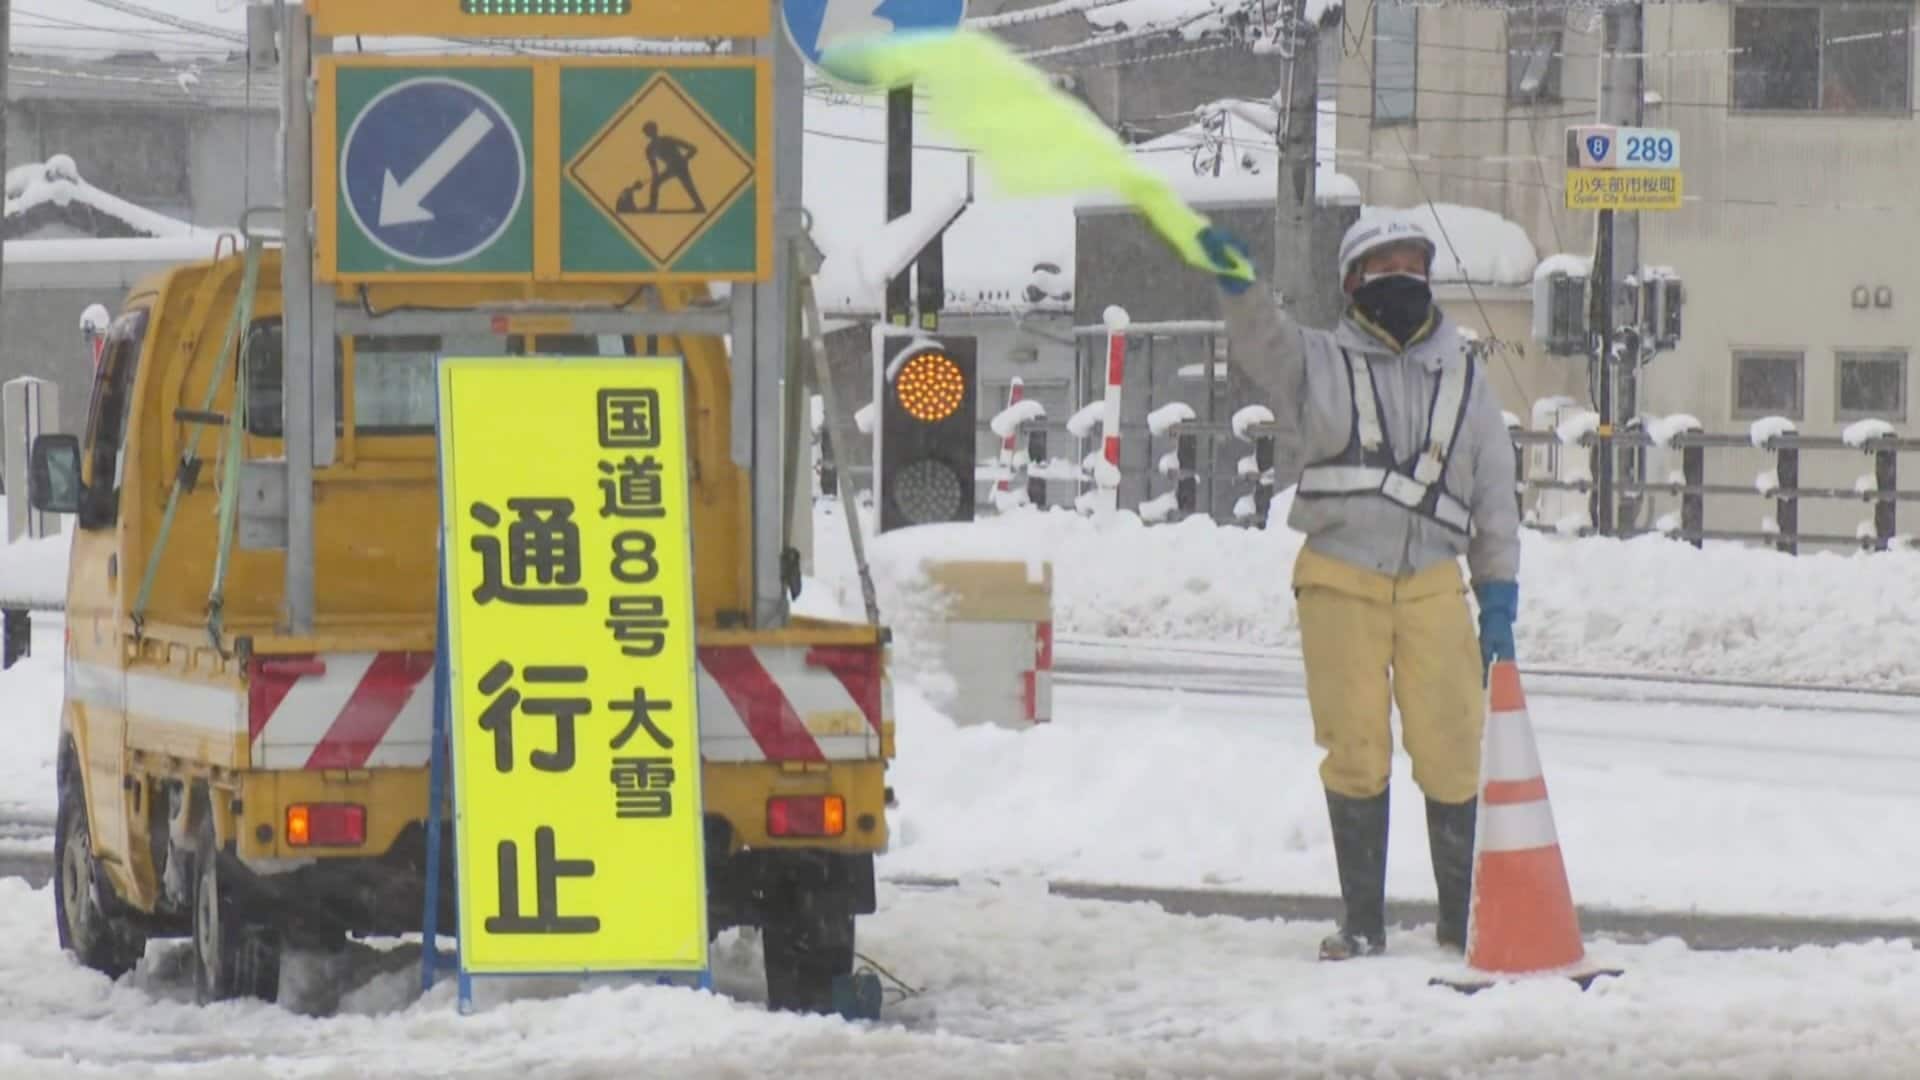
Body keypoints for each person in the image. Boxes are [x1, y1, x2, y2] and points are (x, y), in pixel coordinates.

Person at [1197, 217, 1521, 961]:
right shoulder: (1316, 362)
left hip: (1437, 583)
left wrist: (1497, 592)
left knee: (1452, 748)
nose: (1401, 275)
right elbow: (1260, 340)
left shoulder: (1468, 378)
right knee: (1354, 747)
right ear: (1352, 283)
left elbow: (1496, 496)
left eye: (1413, 262)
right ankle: (1362, 923)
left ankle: (1459, 920)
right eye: (1384, 264)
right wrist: (1239, 288)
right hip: (1339, 576)